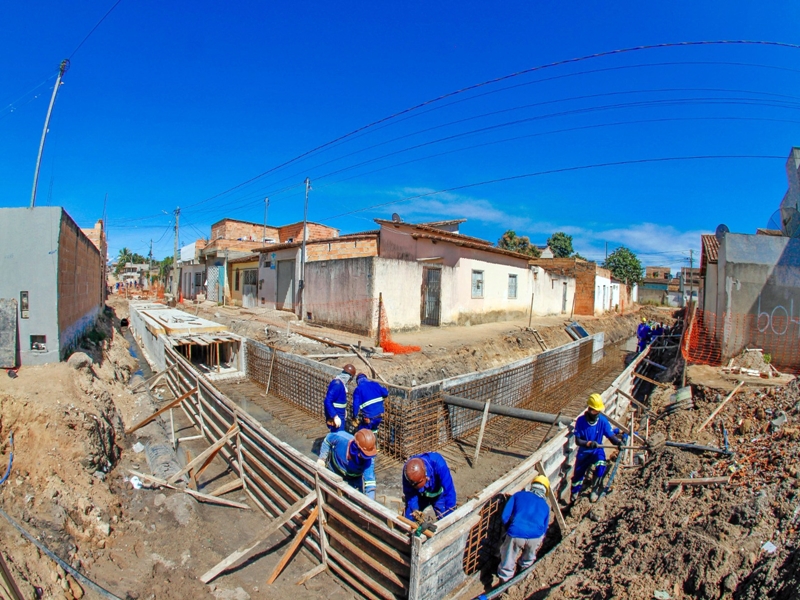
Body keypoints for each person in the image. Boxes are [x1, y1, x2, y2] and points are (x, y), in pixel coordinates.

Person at [495, 475, 551, 585]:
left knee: (508, 558)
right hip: (535, 536)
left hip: (516, 532)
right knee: (528, 559)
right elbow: (544, 528)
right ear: (545, 491)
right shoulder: (545, 506)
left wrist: (509, 530)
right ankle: (522, 577)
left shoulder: (518, 495)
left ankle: (504, 582)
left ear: (532, 486)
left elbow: (505, 516)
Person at [570, 393, 625, 501]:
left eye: (598, 411)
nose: (597, 413)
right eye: (595, 411)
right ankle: (574, 493)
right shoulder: (581, 421)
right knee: (578, 474)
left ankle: (594, 489)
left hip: (597, 451)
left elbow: (611, 436)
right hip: (584, 452)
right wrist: (588, 443)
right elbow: (578, 440)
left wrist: (618, 443)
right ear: (590, 409)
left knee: (601, 465)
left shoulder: (602, 421)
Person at [316, 429, 377, 499]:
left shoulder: (368, 460)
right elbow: (327, 440)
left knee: (353, 502)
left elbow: (370, 483)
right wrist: (322, 459)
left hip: (354, 480)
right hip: (334, 470)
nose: (364, 458)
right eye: (363, 455)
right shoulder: (341, 438)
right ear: (355, 447)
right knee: (330, 496)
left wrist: (369, 502)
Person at [402, 452, 457, 520]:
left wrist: (450, 516)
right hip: (419, 496)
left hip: (437, 495)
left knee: (445, 518)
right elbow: (410, 495)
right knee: (410, 518)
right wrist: (415, 511)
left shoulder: (438, 463)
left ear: (427, 477)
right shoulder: (407, 471)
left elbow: (449, 491)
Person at [324, 364, 356, 432]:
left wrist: (344, 410)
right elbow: (327, 401)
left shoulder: (340, 384)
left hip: (340, 414)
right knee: (338, 435)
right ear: (349, 378)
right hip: (337, 415)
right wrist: (334, 416)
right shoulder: (337, 385)